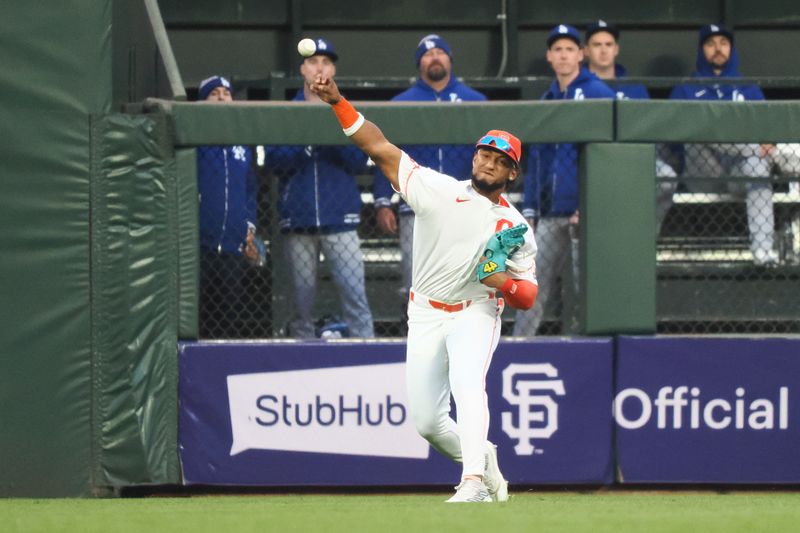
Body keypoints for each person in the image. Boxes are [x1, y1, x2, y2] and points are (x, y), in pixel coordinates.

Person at [307, 71, 538, 502]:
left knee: (469, 385)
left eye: (500, 160)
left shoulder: (516, 226)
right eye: (485, 154)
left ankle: (473, 483)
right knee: (428, 423)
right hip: (427, 311)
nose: (489, 162)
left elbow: (527, 296)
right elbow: (376, 147)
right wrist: (337, 101)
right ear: (474, 158)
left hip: (476, 309)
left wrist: (501, 280)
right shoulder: (437, 189)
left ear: (511, 173)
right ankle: (482, 458)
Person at [266, 38, 375, 338]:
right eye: (313, 61)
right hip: (298, 219)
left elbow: (358, 160)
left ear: (333, 69)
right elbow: (273, 161)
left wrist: (329, 132)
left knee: (356, 297)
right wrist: (305, 143)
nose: (319, 66)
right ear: (303, 68)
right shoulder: (286, 111)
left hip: (340, 218)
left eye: (325, 62)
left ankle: (368, 352)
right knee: (300, 304)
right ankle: (302, 357)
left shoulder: (345, 109)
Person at [513, 24, 615, 337]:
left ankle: (592, 346)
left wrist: (590, 203)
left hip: (585, 214)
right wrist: (530, 208)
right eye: (557, 49)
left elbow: (608, 158)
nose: (564, 55)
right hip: (549, 213)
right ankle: (520, 345)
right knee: (533, 283)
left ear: (581, 54)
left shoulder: (598, 92)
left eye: (570, 48)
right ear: (549, 56)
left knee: (586, 286)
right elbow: (537, 161)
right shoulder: (546, 99)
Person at [372, 35, 487, 307]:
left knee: (470, 278)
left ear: (449, 58)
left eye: (440, 52)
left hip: (466, 205)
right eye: (427, 54)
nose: (434, 56)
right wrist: (382, 201)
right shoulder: (401, 103)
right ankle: (415, 336)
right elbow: (385, 155)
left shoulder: (475, 100)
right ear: (419, 64)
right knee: (416, 280)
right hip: (416, 208)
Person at [669, 24, 778, 265]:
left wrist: (760, 146)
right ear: (701, 50)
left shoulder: (748, 87)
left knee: (758, 165)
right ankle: (784, 156)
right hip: (702, 173)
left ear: (731, 48)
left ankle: (763, 253)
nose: (718, 49)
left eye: (723, 43)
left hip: (737, 174)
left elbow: (767, 133)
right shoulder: (686, 87)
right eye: (710, 43)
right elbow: (674, 140)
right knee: (700, 127)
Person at [583, 19, 678, 233]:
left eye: (608, 45)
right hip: (591, 158)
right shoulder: (579, 86)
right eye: (597, 45)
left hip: (634, 156)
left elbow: (648, 129)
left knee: (667, 177)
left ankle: (645, 234)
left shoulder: (634, 87)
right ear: (587, 50)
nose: (603, 50)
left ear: (616, 49)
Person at [196, 75, 263, 338]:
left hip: (234, 245)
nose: (222, 96)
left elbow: (250, 189)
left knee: (230, 316)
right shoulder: (196, 143)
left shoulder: (242, 143)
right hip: (199, 245)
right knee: (198, 315)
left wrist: (249, 226)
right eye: (215, 93)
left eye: (226, 92)